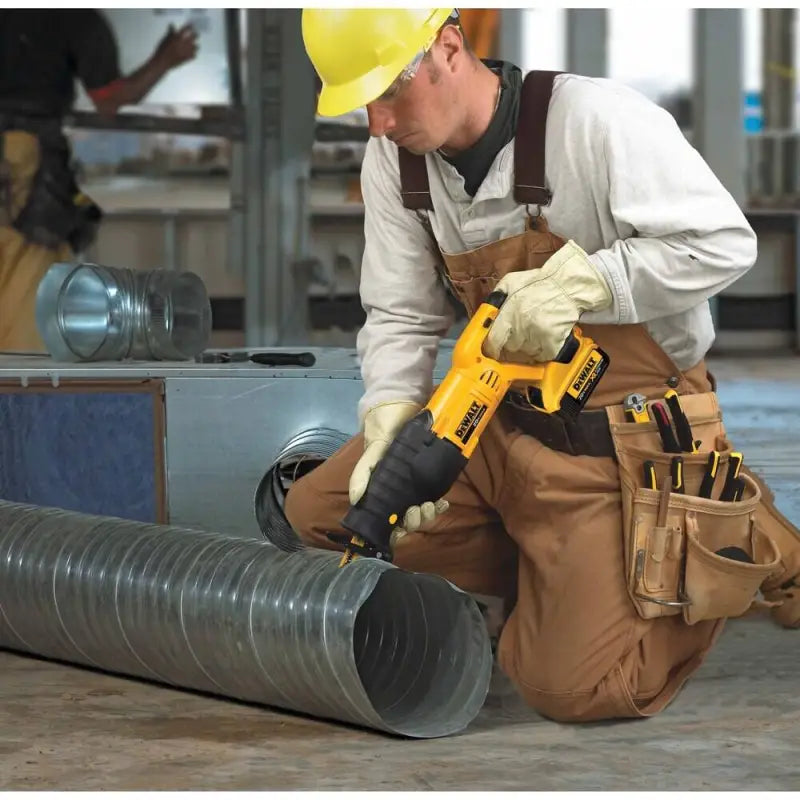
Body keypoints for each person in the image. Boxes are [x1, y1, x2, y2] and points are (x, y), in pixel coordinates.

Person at [287, 8, 800, 722]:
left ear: (450, 47)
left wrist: (588, 281)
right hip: (500, 418)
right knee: (325, 511)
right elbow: (402, 314)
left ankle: (728, 541)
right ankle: (567, 576)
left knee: (571, 688)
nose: (377, 122)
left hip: (623, 442)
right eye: (361, 105)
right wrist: (387, 427)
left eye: (389, 93)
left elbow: (723, 242)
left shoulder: (593, 122)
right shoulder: (395, 158)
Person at [0, 10, 198, 351]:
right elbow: (109, 99)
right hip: (22, 162)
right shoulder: (73, 18)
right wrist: (165, 59)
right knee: (25, 285)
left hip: (19, 158)